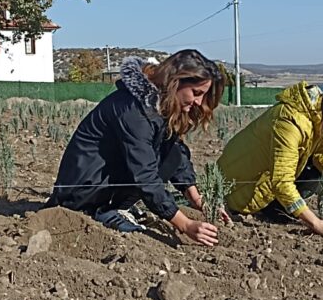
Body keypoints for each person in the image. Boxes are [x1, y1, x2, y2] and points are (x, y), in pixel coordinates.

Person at [46, 50, 227, 246]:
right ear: (176, 82)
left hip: (106, 180)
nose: (199, 102)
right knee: (150, 161)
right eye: (196, 93)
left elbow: (174, 154)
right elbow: (145, 175)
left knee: (173, 152)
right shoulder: (134, 111)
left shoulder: (157, 105)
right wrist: (185, 225)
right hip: (82, 189)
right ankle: (102, 211)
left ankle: (116, 207)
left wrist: (197, 198)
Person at [217, 83, 323, 237]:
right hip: (237, 192)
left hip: (262, 186)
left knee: (314, 172)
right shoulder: (292, 121)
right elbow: (282, 182)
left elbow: (319, 153)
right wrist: (316, 223)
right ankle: (272, 211)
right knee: (298, 191)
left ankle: (278, 210)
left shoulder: (318, 117)